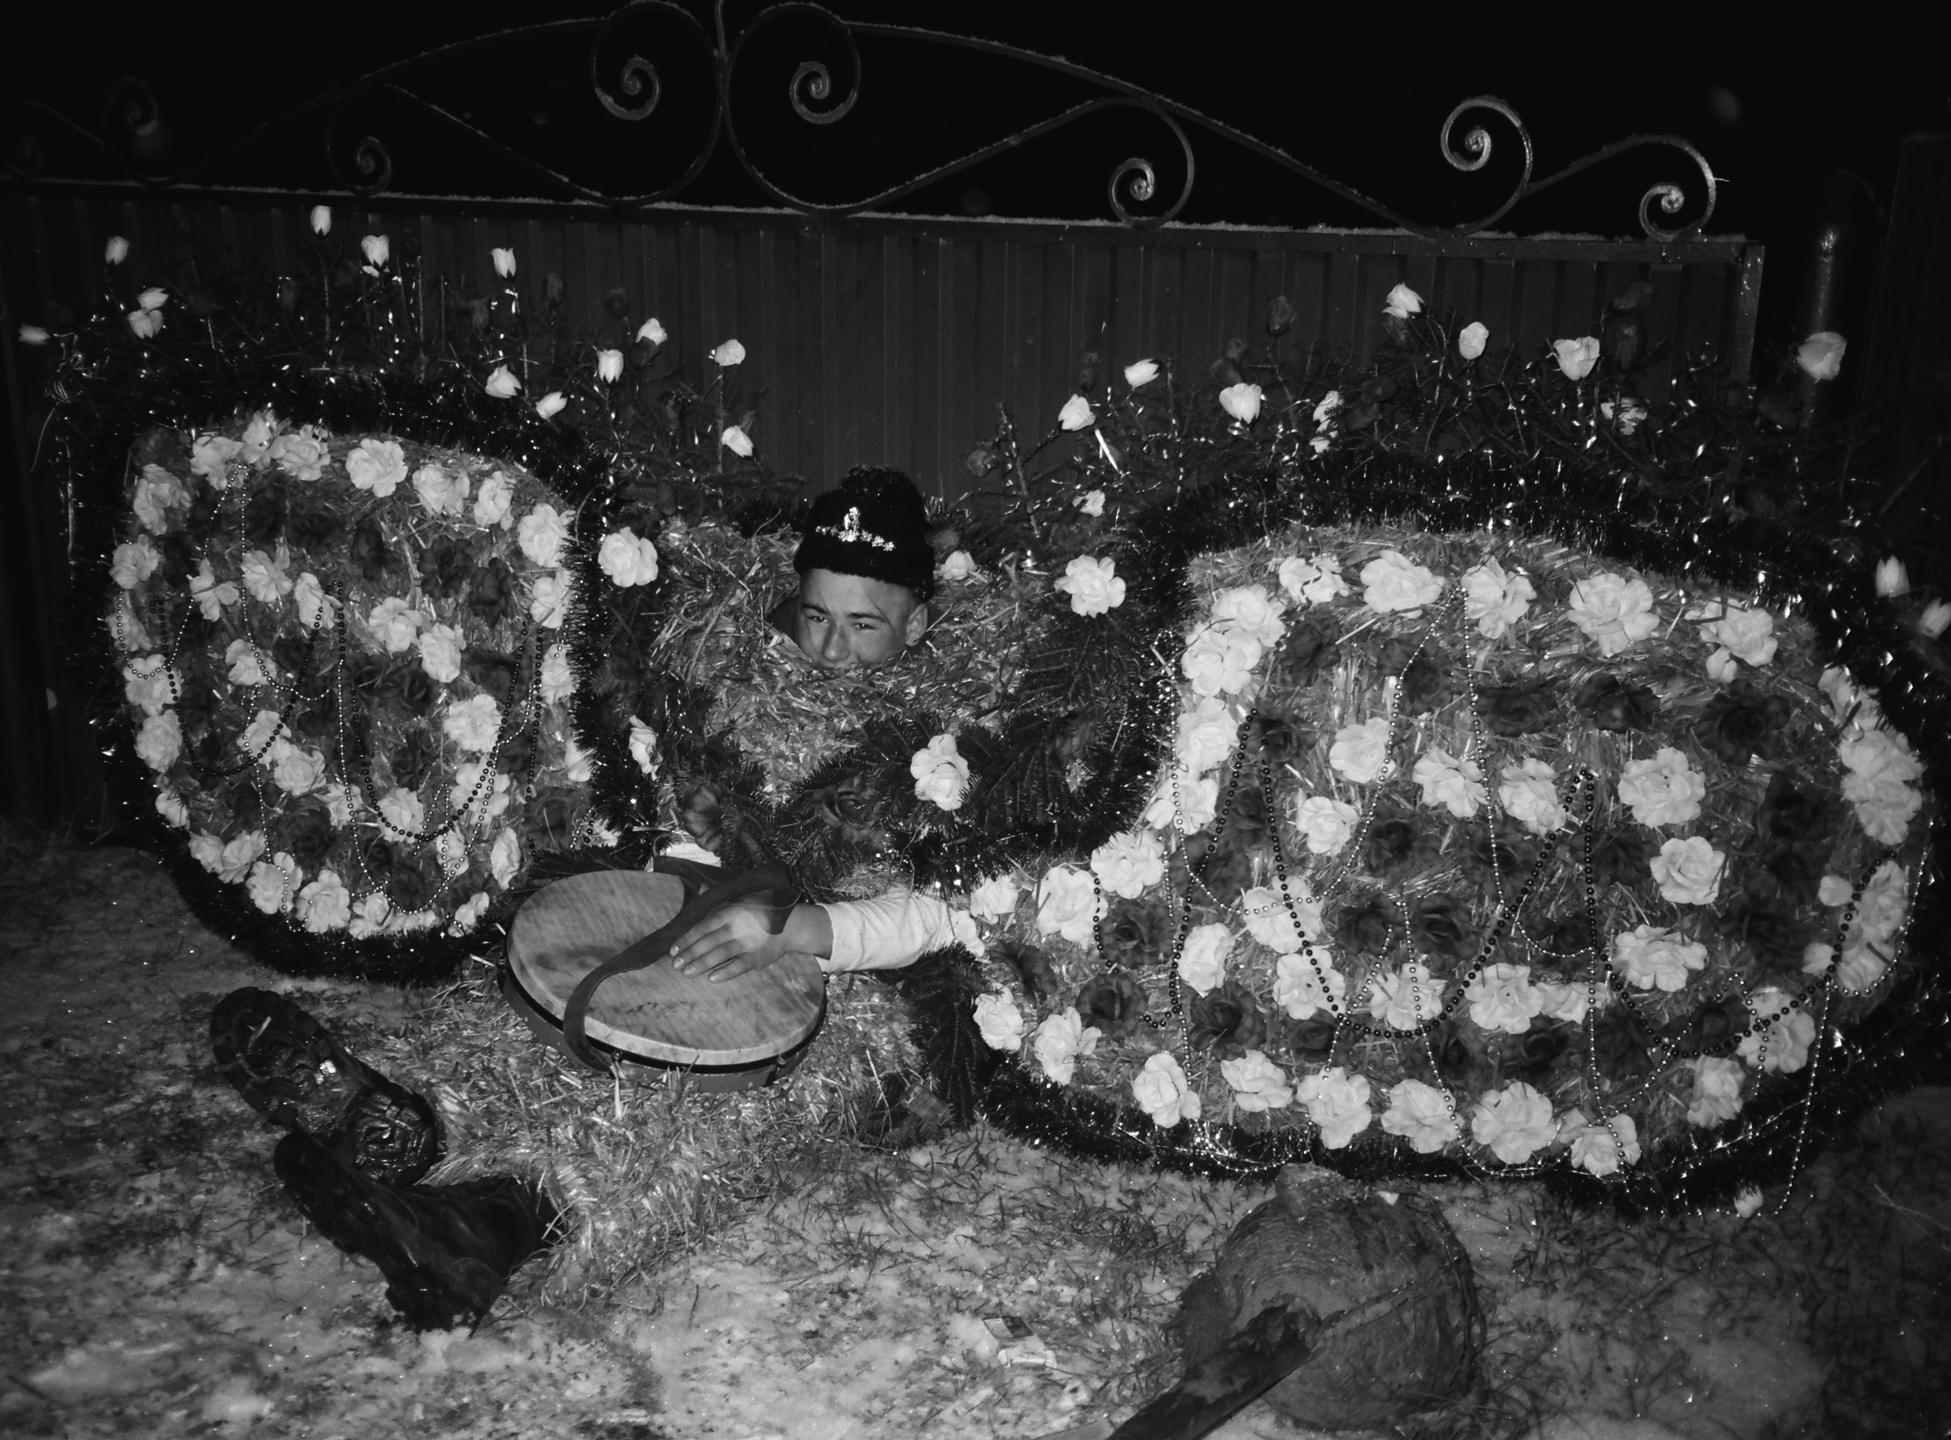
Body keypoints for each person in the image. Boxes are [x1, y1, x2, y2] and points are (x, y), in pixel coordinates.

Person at [211, 467, 966, 1330]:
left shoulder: (955, 735)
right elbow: (691, 813)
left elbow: (948, 905)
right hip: (701, 908)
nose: (830, 650)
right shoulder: (745, 677)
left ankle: (486, 1225)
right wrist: (667, 890)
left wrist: (801, 930)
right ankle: (412, 1124)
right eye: (816, 616)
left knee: (704, 1109)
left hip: (841, 972)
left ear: (919, 619)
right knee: (548, 1010)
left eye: (864, 625)